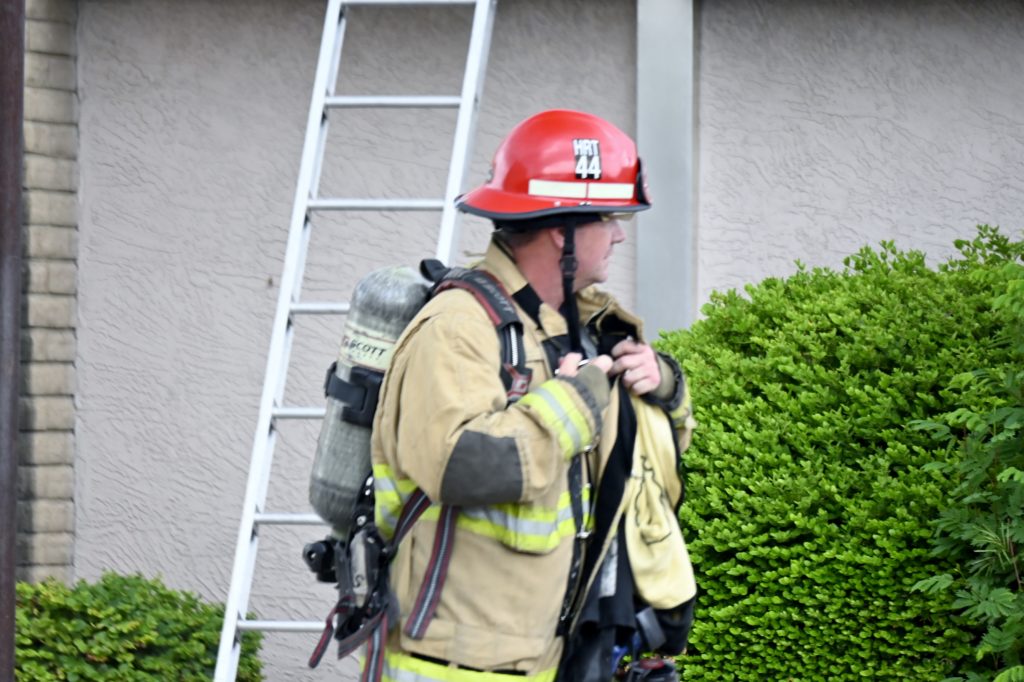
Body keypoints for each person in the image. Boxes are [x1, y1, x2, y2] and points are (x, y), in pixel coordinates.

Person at [369, 109, 697, 682]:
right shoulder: (459, 328)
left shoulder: (577, 327)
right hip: (454, 663)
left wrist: (663, 386)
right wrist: (577, 401)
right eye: (608, 218)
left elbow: (644, 462)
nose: (620, 234)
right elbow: (460, 463)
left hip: (543, 656)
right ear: (560, 231)